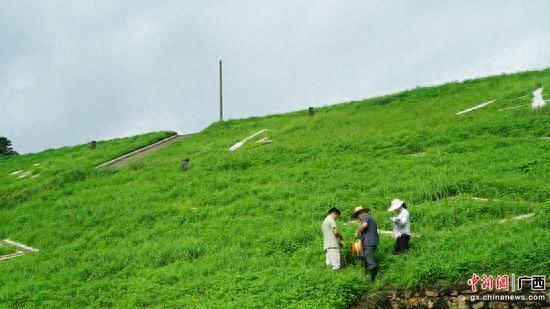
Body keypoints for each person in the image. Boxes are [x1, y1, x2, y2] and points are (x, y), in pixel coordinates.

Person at [352, 206, 379, 282]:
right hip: (371, 241)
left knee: (370, 260)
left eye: (357, 216)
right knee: (364, 257)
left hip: (369, 241)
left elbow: (364, 225)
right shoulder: (369, 216)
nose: (358, 218)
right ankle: (368, 277)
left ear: (358, 213)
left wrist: (357, 231)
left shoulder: (364, 215)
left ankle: (373, 280)